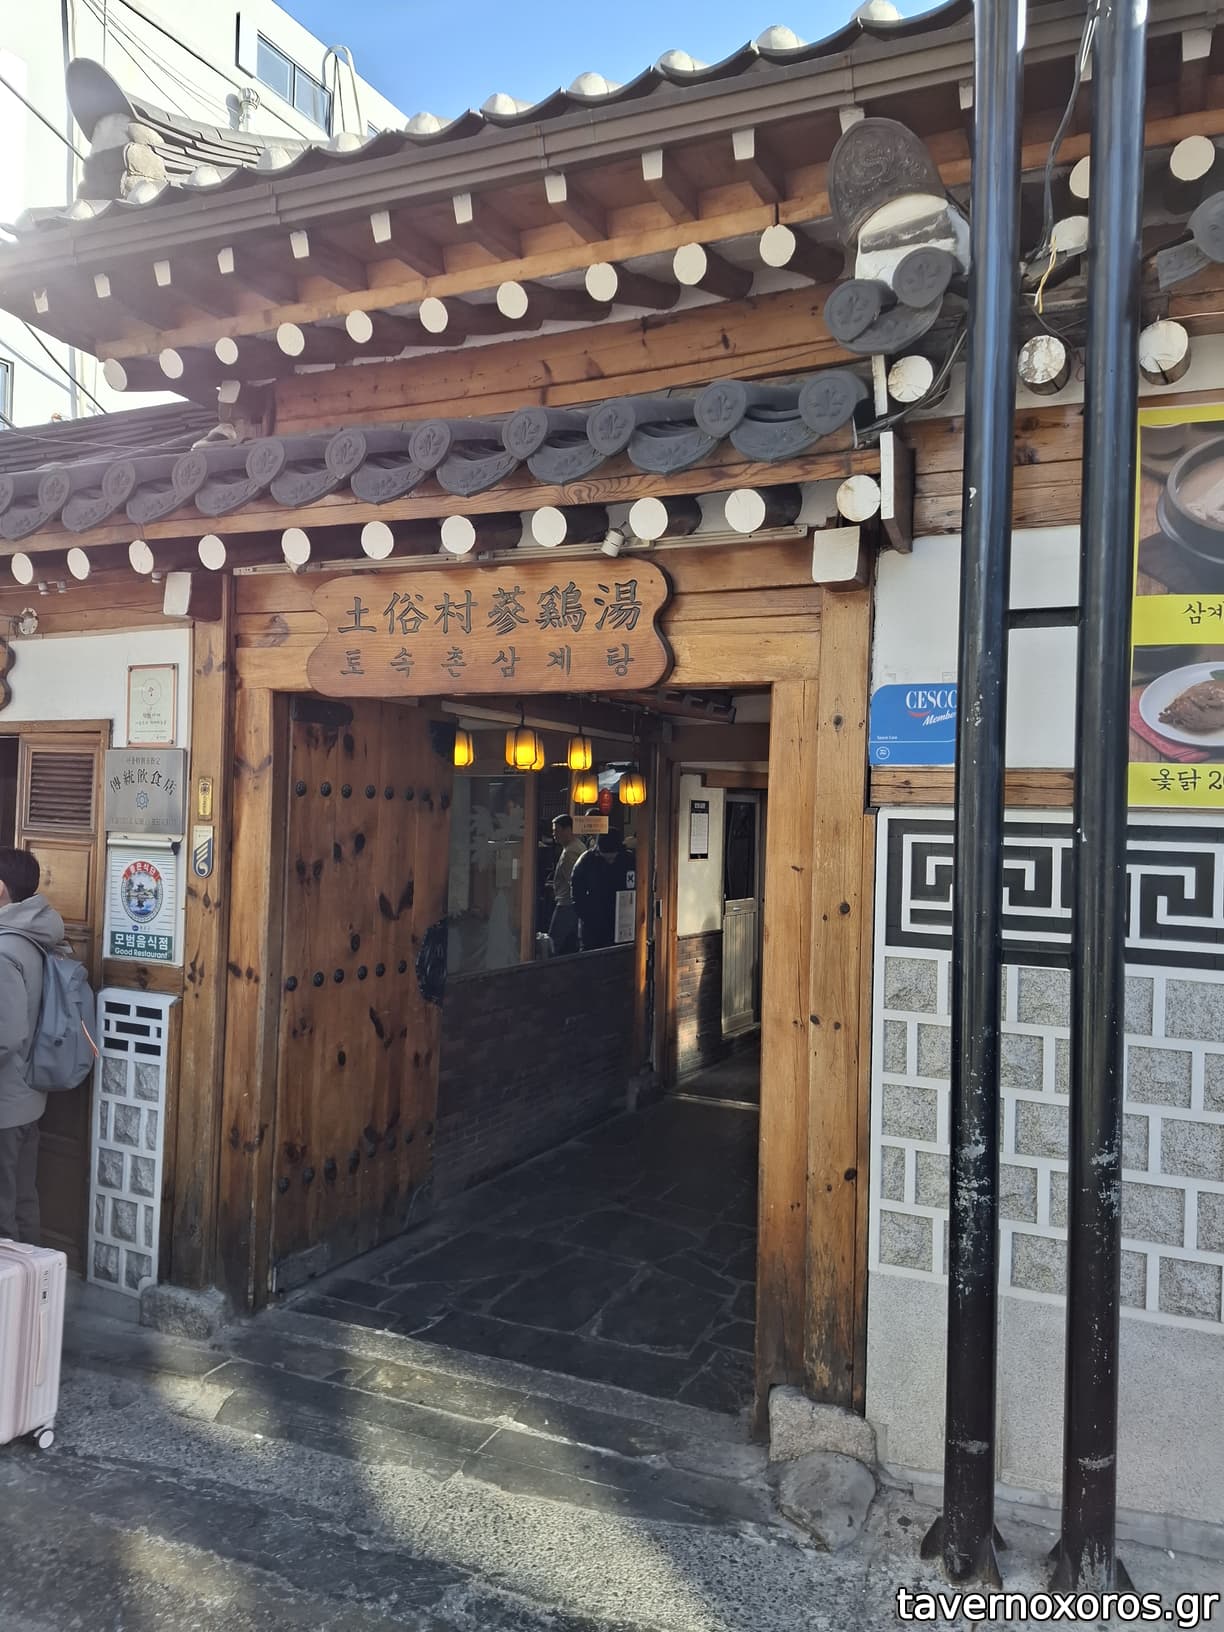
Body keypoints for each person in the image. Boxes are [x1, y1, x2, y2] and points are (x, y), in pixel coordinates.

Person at [0, 848, 66, 1244]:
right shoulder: (32, 937)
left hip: (5, 1105)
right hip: (27, 1097)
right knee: (23, 1200)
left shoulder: (4, 950)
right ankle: (35, 1280)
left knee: (4, 1214)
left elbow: (6, 1036)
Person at [571, 828, 635, 952]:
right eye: (606, 858)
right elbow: (577, 894)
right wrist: (586, 916)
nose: (610, 861)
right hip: (593, 922)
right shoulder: (586, 861)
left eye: (613, 858)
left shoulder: (629, 860)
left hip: (622, 920)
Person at [547, 814, 586, 956]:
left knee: (552, 943)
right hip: (571, 902)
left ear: (568, 830)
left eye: (557, 831)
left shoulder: (571, 851)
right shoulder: (576, 846)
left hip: (567, 903)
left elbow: (573, 881)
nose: (554, 835)